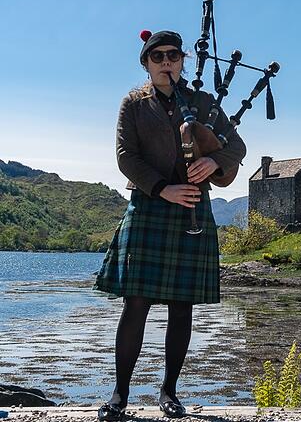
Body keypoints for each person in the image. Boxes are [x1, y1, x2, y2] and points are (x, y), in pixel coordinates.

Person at [93, 30, 246, 421]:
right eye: (157, 56)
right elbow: (126, 157)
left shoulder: (202, 103)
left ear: (182, 61)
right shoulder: (133, 104)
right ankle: (119, 395)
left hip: (193, 207)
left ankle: (169, 392)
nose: (165, 62)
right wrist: (164, 189)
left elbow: (237, 146)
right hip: (149, 205)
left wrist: (215, 162)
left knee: (182, 308)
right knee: (136, 305)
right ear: (146, 63)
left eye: (173, 56)